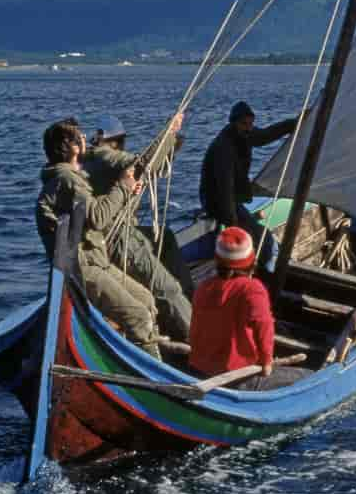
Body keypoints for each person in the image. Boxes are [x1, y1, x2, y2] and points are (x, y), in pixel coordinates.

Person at [35, 118, 162, 359]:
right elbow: (98, 217)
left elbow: (91, 213)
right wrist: (123, 187)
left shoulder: (68, 178)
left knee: (147, 300)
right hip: (83, 267)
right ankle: (152, 376)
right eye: (80, 137)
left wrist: (123, 191)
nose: (85, 140)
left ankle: (139, 354)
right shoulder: (68, 180)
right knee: (139, 315)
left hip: (96, 260)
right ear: (71, 147)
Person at [83, 110, 193, 342]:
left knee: (166, 237)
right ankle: (197, 337)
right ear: (117, 141)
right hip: (118, 237)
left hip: (120, 232)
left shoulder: (93, 159)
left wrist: (170, 146)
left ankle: (187, 301)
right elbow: (142, 164)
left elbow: (150, 166)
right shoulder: (105, 155)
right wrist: (169, 132)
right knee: (168, 288)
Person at [188, 226, 310, 390]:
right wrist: (266, 362)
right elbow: (263, 326)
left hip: (199, 368)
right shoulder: (252, 289)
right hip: (238, 377)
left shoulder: (203, 287)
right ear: (251, 261)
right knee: (309, 376)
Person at [199, 101, 297, 273]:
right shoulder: (224, 149)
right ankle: (266, 276)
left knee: (262, 237)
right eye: (244, 124)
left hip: (231, 201)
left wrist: (294, 123)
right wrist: (233, 224)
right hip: (218, 203)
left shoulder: (244, 135)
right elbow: (225, 189)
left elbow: (266, 134)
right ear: (233, 123)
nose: (248, 128)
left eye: (251, 124)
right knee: (265, 239)